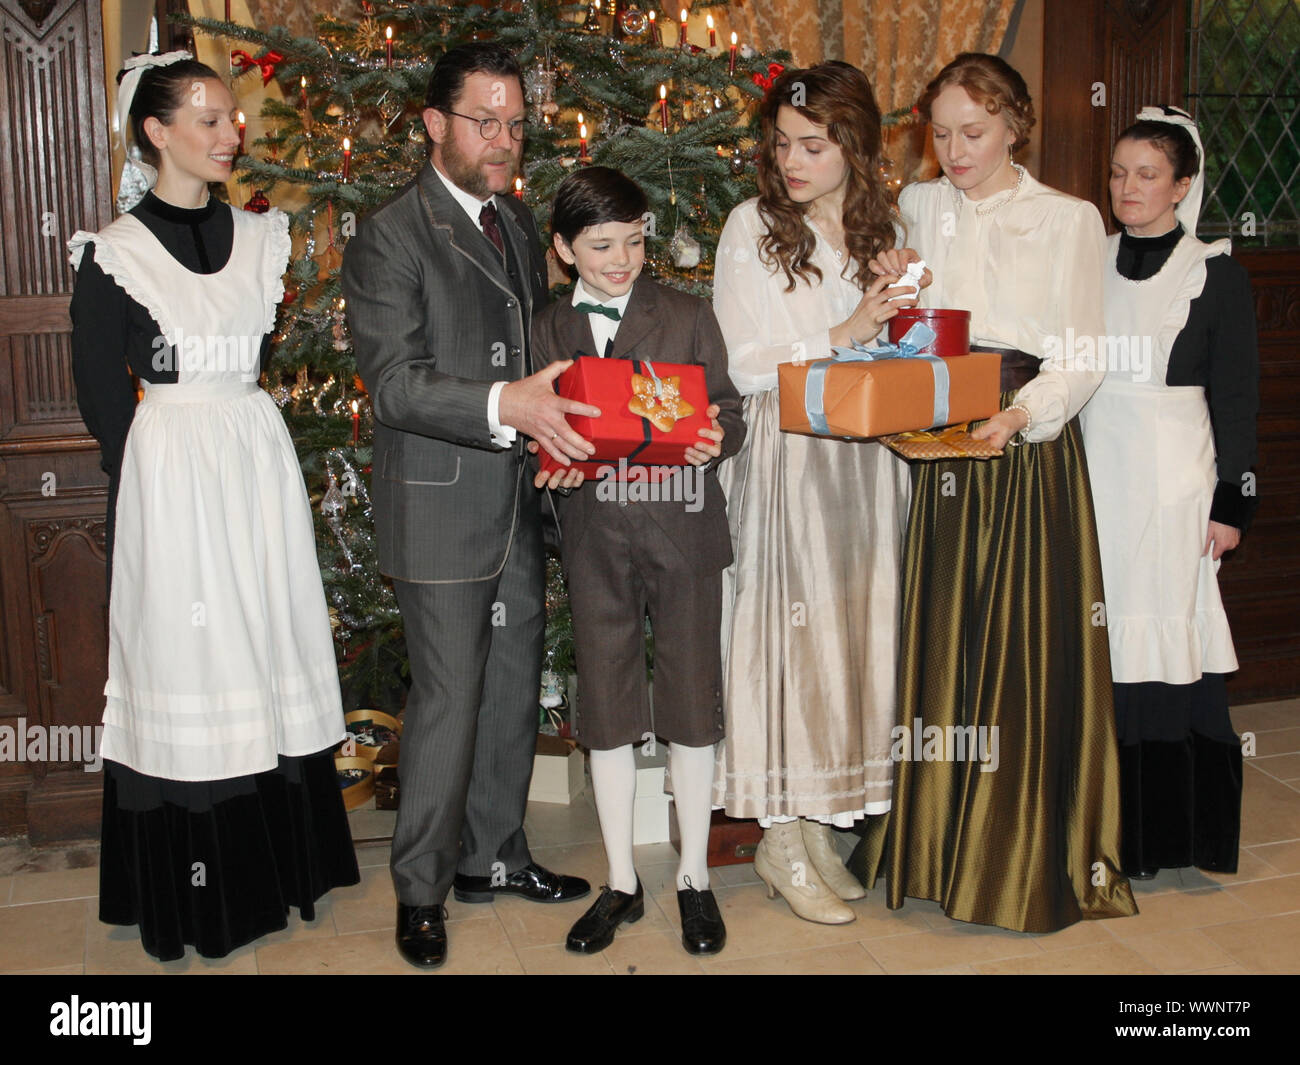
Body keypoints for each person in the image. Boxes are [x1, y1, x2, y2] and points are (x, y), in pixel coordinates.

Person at [68, 52, 358, 962]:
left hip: (253, 466)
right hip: (173, 478)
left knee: (268, 638)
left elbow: (254, 355)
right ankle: (203, 889)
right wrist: (159, 493)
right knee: (194, 657)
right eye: (208, 118)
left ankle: (287, 865)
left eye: (233, 117)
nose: (231, 132)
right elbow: (101, 397)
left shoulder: (261, 239)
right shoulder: (113, 254)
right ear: (156, 132)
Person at [853, 52, 1138, 932]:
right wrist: (887, 290)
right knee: (939, 637)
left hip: (1018, 449)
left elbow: (1083, 355)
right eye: (938, 133)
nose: (953, 148)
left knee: (1016, 646)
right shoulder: (919, 206)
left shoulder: (1068, 218)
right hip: (933, 443)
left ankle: (1011, 856)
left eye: (972, 131)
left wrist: (1019, 417)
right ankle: (933, 842)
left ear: (1016, 124)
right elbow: (893, 329)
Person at [341, 42, 595, 970]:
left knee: (512, 689)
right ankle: (422, 888)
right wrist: (507, 407)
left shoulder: (517, 223)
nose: (505, 141)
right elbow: (396, 385)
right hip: (439, 507)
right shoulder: (390, 235)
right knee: (449, 700)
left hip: (515, 500)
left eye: (517, 123)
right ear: (434, 124)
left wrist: (560, 431)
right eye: (485, 121)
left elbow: (539, 351)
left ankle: (497, 855)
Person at [710, 63, 914, 925]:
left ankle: (828, 817)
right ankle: (779, 833)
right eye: (782, 144)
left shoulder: (885, 224)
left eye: (812, 146)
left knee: (854, 641)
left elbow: (906, 351)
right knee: (786, 647)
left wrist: (905, 307)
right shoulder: (751, 225)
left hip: (869, 461)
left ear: (854, 147)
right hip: (790, 455)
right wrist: (844, 330)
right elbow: (742, 361)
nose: (790, 161)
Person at [530, 167, 745, 955]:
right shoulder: (549, 327)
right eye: (600, 245)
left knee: (691, 699)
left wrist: (723, 433)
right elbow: (539, 426)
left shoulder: (688, 314)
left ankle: (694, 875)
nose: (621, 259)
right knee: (610, 705)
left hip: (684, 532)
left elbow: (727, 408)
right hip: (594, 537)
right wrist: (543, 457)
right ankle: (621, 880)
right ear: (562, 248)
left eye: (633, 241)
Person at [1080, 106, 1257, 878]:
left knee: (1167, 642)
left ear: (1183, 185)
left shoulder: (1213, 272)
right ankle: (1106, 829)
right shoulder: (1086, 258)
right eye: (1118, 173)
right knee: (1104, 640)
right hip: (1094, 470)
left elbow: (1239, 394)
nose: (1128, 187)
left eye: (1147, 174)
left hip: (1174, 478)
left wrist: (1232, 505)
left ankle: (1171, 836)